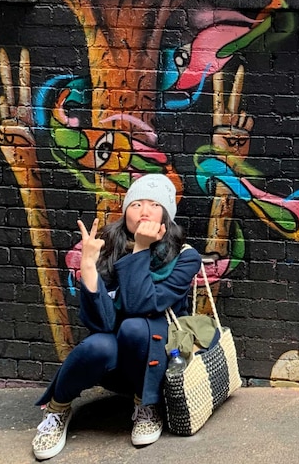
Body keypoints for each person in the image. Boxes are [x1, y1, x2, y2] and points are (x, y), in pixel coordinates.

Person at [31, 174, 202, 460]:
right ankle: (57, 410)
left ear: (166, 215)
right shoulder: (107, 249)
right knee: (98, 344)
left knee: (136, 327)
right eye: (135, 204)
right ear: (125, 214)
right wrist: (87, 266)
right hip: (111, 365)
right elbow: (101, 323)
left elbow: (141, 305)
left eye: (152, 204)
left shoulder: (185, 257)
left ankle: (146, 404)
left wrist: (141, 249)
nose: (144, 211)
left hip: (154, 359)